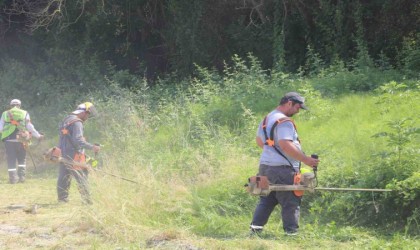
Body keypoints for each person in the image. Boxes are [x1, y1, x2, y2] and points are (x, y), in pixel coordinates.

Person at [249, 92, 320, 236]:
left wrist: (273, 153)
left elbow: (259, 141)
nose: (298, 111)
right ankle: (291, 234)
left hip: (265, 167)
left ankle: (255, 231)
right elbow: (285, 144)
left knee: (267, 199)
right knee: (291, 200)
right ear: (289, 103)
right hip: (283, 169)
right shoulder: (284, 121)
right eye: (298, 107)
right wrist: (306, 160)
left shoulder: (267, 118)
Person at [57, 102, 100, 204]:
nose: (87, 116)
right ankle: (87, 200)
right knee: (82, 176)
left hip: (63, 152)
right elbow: (78, 140)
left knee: (64, 176)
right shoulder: (77, 122)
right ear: (83, 112)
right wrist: (92, 147)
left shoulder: (66, 120)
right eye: (88, 114)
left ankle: (62, 199)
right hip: (75, 154)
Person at [0, 99, 44, 184]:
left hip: (9, 140)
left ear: (11, 105)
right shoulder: (24, 113)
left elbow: (1, 128)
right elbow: (29, 126)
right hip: (22, 140)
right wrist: (38, 136)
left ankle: (13, 179)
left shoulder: (5, 114)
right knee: (22, 159)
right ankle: (22, 177)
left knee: (11, 159)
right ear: (19, 105)